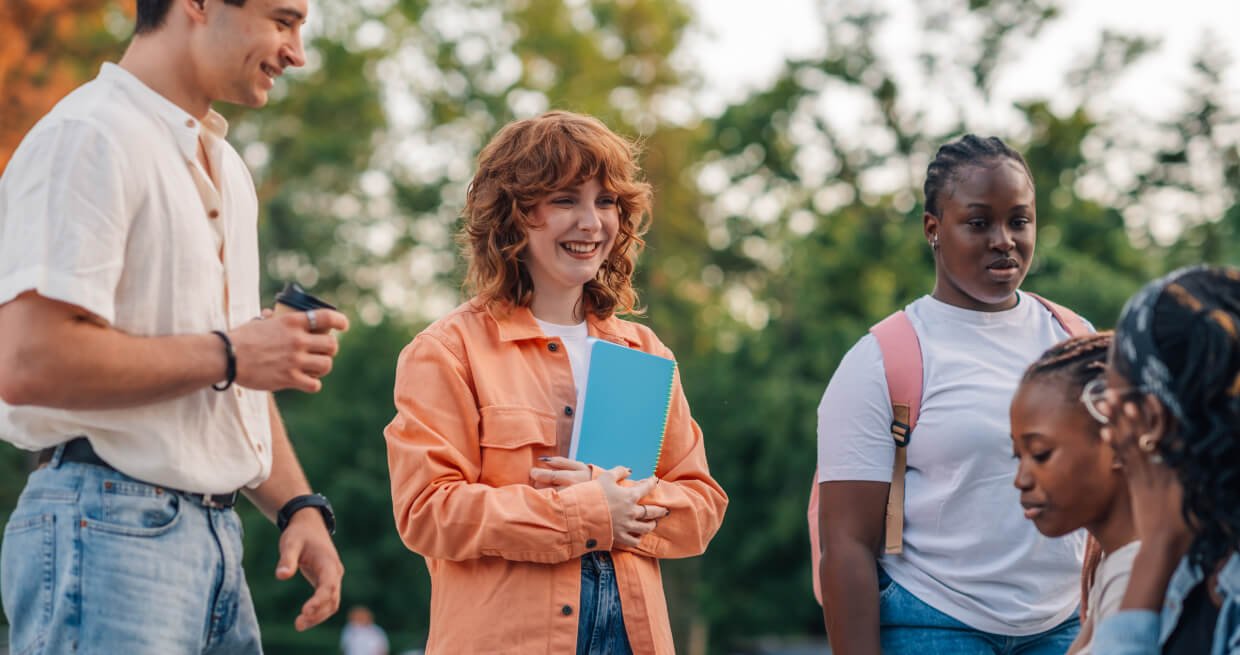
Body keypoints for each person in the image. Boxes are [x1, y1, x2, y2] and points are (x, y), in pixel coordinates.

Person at [0, 1, 349, 653]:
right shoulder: (89, 134)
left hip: (216, 543)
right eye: (283, 20)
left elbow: (231, 373)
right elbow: (26, 361)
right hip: (103, 527)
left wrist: (298, 506)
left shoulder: (229, 172)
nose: (297, 52)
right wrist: (231, 353)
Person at [384, 110, 728, 655]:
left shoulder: (644, 353)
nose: (591, 223)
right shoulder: (448, 352)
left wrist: (622, 501)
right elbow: (427, 512)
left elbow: (701, 507)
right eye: (566, 200)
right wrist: (587, 513)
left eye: (606, 201)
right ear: (512, 217)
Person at [816, 134, 1088, 654]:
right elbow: (846, 545)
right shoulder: (882, 359)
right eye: (979, 222)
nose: (1004, 239)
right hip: (934, 625)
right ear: (933, 229)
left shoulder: (1075, 340)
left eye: (1020, 220)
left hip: (1068, 625)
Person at [1089, 265, 1240, 654]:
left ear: (1150, 419)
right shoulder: (1204, 546)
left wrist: (1154, 550)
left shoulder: (1174, 548)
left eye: (1108, 395)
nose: (1105, 422)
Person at [1012, 333, 1139, 654]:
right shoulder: (1115, 566)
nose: (1021, 480)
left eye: (1040, 454)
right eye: (1018, 456)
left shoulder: (1145, 582)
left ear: (1116, 441)